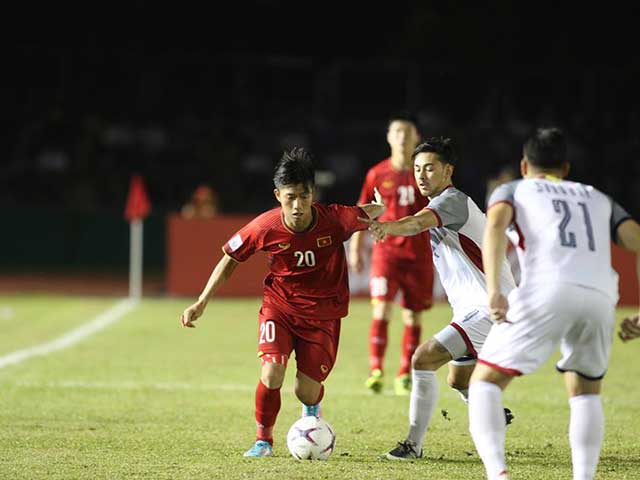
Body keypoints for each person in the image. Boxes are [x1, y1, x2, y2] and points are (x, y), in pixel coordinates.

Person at [180, 147, 385, 457]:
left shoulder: (335, 220)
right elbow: (230, 258)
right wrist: (201, 301)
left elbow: (368, 212)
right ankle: (263, 441)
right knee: (272, 372)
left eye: (304, 196)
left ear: (313, 194)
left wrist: (379, 209)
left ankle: (311, 409)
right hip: (281, 308)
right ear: (278, 195)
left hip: (323, 314)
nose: (298, 205)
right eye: (290, 197)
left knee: (306, 390)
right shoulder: (265, 227)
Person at [469, 127, 640, 480]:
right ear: (566, 167)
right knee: (585, 389)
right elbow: (636, 240)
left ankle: (498, 474)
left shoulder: (512, 189)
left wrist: (493, 291)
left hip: (547, 289)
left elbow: (495, 227)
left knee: (484, 383)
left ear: (524, 165)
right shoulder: (597, 196)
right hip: (600, 296)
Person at [361, 137, 516, 460]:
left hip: (490, 308)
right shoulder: (443, 203)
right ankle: (492, 414)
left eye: (430, 168)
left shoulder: (452, 201)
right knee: (458, 378)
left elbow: (417, 223)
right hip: (475, 309)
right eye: (417, 169)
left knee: (422, 358)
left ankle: (413, 445)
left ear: (448, 171)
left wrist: (387, 227)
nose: (421, 175)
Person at [349, 112, 435, 396]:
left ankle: (403, 374)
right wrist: (356, 248)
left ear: (416, 138)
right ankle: (376, 370)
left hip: (419, 254)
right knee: (381, 309)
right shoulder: (377, 173)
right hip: (386, 254)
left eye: (407, 132)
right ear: (389, 137)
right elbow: (363, 211)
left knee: (412, 316)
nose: (402, 137)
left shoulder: (426, 172)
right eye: (397, 132)